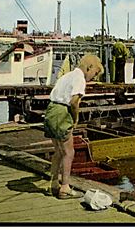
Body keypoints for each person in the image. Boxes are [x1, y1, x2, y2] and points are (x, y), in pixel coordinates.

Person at [44, 55, 103, 199]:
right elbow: (74, 102)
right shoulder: (80, 79)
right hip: (62, 113)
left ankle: (53, 184)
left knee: (58, 151)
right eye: (95, 73)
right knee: (69, 152)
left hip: (51, 110)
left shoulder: (67, 76)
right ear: (89, 67)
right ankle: (65, 187)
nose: (93, 78)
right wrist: (75, 118)